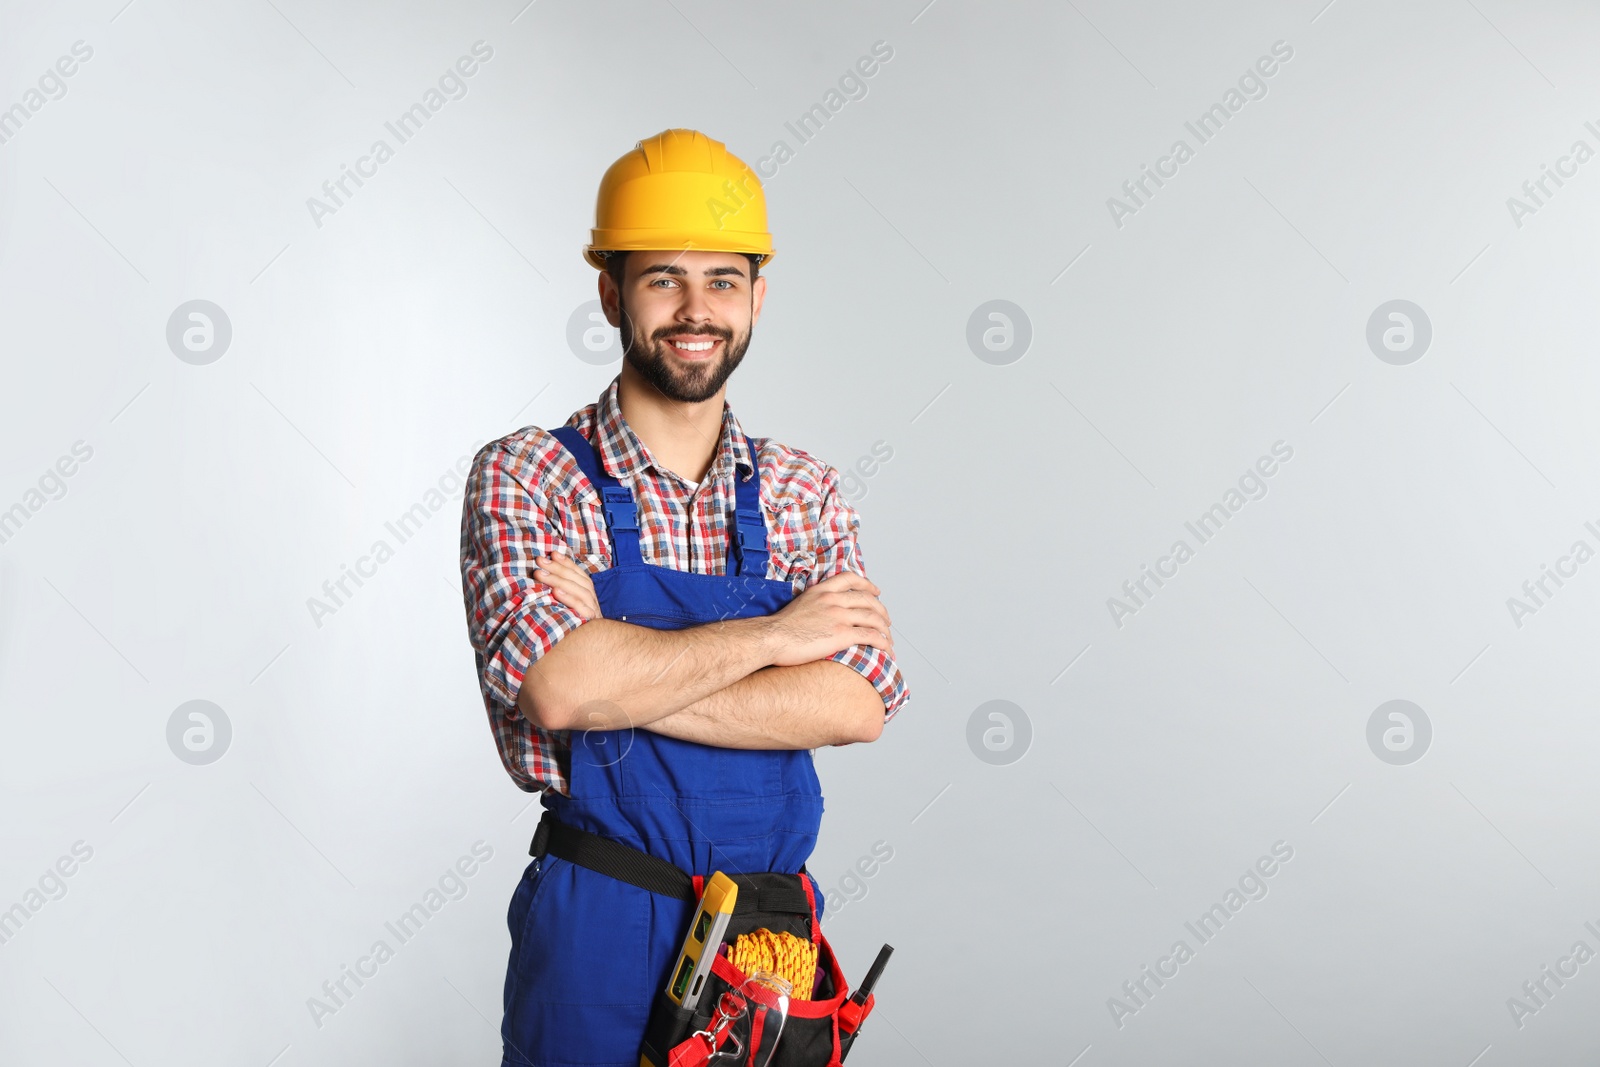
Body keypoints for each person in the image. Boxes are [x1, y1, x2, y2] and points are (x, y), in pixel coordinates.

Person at [459, 128, 909, 1066]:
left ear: (757, 298)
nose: (695, 308)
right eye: (663, 277)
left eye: (723, 280)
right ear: (611, 291)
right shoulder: (528, 475)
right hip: (599, 918)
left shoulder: (803, 490)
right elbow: (558, 693)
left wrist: (616, 663)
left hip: (765, 936)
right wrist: (780, 634)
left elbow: (855, 704)